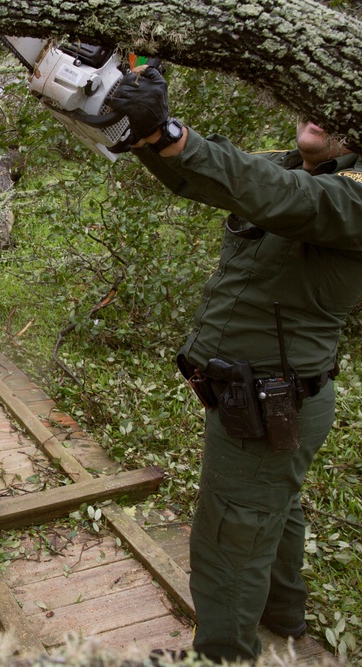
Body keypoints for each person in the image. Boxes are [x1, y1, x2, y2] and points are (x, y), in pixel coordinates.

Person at [106, 67, 362, 663]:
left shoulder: (349, 191)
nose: (318, 110)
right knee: (269, 507)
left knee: (229, 533)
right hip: (261, 394)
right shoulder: (291, 168)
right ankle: (283, 613)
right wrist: (142, 130)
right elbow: (220, 170)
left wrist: (170, 131)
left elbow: (283, 198)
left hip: (275, 398)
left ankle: (223, 653)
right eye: (313, 94)